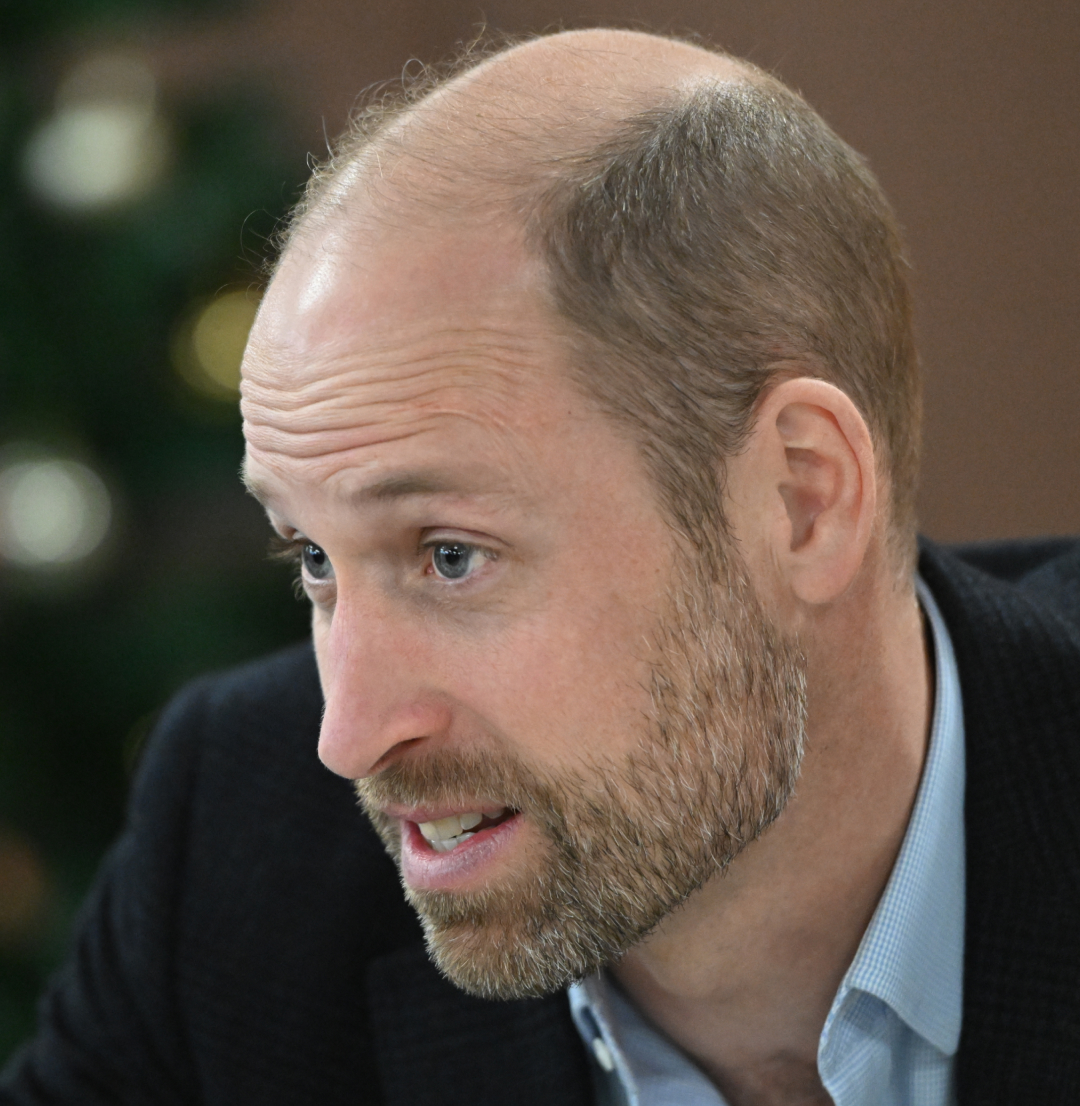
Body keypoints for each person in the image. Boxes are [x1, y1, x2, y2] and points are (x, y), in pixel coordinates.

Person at [3, 27, 1079, 1106]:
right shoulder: (241, 844)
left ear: (801, 500)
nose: (351, 733)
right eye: (315, 559)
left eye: (450, 555)